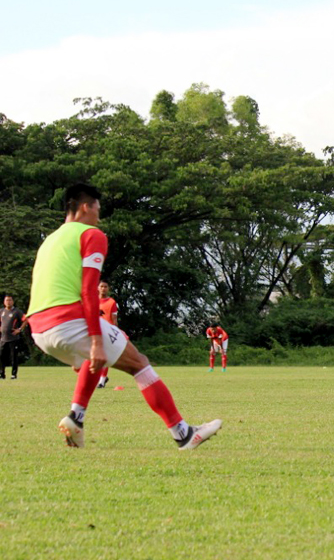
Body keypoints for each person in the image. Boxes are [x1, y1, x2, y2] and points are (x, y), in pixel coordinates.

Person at [27, 183, 221, 449]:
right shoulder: (91, 234)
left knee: (97, 358)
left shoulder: (50, 240)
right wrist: (93, 340)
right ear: (86, 206)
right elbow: (88, 290)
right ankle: (184, 434)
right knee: (139, 363)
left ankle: (77, 417)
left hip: (39, 329)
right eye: (98, 207)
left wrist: (81, 347)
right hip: (68, 321)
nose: (99, 214)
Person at [96, 280, 118, 388]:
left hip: (107, 332)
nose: (103, 288)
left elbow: (114, 319)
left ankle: (102, 380)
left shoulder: (111, 302)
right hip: (95, 332)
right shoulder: (93, 301)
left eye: (105, 286)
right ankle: (100, 377)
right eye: (101, 286)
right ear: (97, 288)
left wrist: (116, 333)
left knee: (105, 357)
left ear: (108, 288)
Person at [1, 295, 26, 380]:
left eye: (10, 300)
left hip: (13, 338)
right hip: (3, 338)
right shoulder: (2, 311)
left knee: (14, 357)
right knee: (1, 357)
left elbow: (26, 320)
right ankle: (2, 374)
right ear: (4, 302)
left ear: (13, 301)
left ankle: (13, 374)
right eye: (6, 300)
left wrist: (19, 329)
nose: (8, 302)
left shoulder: (17, 311)